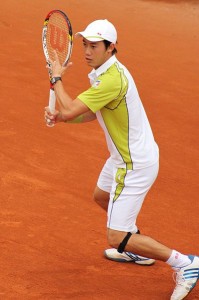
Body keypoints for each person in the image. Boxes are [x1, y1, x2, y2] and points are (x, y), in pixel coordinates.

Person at [44, 19, 199, 300]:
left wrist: (56, 79)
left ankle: (186, 263)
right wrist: (62, 117)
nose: (87, 52)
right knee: (101, 196)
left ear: (110, 47)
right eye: (85, 45)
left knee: (116, 236)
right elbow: (90, 112)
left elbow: (69, 108)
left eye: (94, 46)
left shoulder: (112, 79)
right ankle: (136, 250)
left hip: (134, 164)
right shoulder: (104, 72)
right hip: (123, 157)